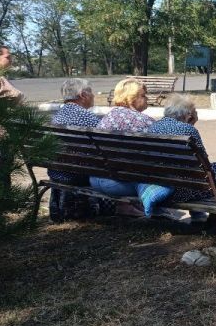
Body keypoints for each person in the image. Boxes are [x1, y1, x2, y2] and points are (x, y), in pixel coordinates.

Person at [150, 94, 216, 208]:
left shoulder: (154, 127)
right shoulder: (188, 130)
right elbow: (204, 163)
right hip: (181, 191)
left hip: (158, 186)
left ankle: (210, 216)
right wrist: (191, 124)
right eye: (195, 112)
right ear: (189, 116)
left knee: (214, 173)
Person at [47, 78, 104, 222]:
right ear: (83, 95)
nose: (94, 95)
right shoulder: (89, 119)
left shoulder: (56, 117)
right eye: (91, 92)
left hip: (56, 172)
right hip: (78, 174)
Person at [90, 77, 155, 198]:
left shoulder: (107, 116)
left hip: (95, 179)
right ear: (131, 99)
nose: (147, 98)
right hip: (119, 184)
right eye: (143, 95)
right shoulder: (145, 121)